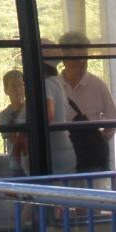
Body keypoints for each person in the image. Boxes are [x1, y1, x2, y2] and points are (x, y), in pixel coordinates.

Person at [58, 30, 116, 173]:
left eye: (84, 58)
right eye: (76, 58)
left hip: (91, 162)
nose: (82, 63)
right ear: (64, 59)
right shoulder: (53, 86)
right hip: (62, 160)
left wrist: (98, 140)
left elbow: (114, 120)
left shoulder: (97, 85)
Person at [41, 39, 76, 175]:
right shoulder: (56, 82)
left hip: (54, 156)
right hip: (61, 153)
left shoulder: (46, 84)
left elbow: (47, 115)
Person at [0, 70, 28, 174]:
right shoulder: (3, 115)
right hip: (16, 164)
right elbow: (13, 139)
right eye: (13, 86)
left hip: (33, 161)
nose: (18, 89)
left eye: (21, 85)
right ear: (6, 90)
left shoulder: (32, 110)